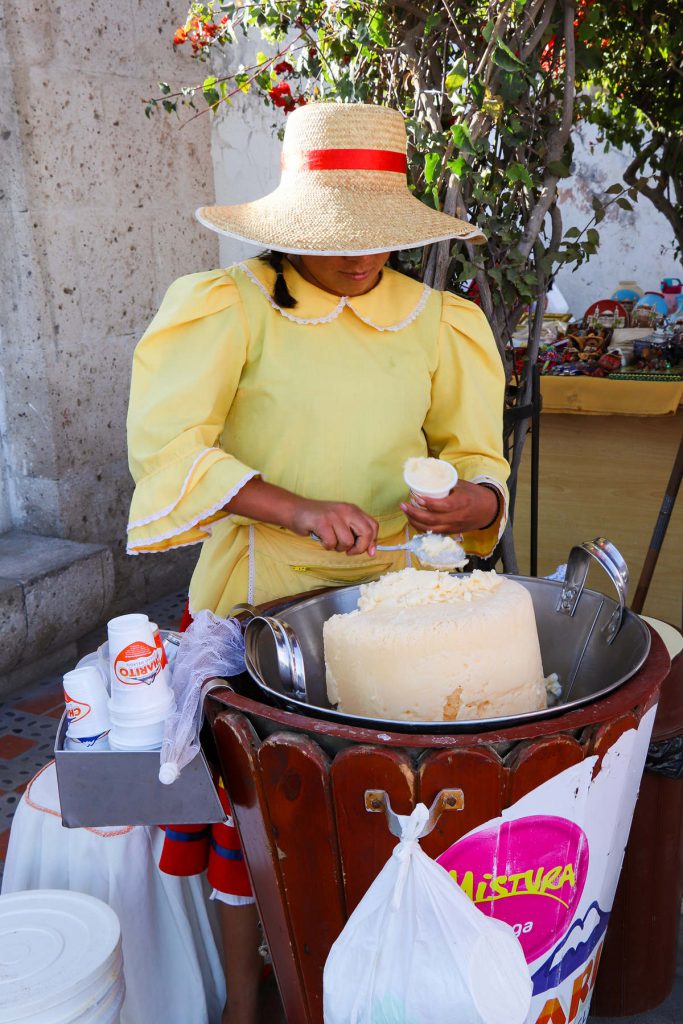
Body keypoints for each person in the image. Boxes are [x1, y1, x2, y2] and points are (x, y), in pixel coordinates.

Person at [126, 101, 510, 1024]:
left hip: (402, 610)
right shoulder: (231, 309)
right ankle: (248, 994)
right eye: (339, 236)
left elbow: (477, 458)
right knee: (252, 820)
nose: (360, 256)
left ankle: (372, 980)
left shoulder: (437, 321)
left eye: (380, 237)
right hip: (261, 609)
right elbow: (170, 450)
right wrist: (292, 507)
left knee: (385, 811)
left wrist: (474, 503)